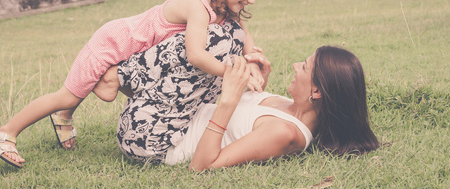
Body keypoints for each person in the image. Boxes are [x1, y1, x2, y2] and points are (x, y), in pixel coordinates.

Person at [0, 0, 273, 169]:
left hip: (132, 53)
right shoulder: (197, 5)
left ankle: (65, 115)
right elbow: (196, 56)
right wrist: (233, 73)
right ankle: (8, 132)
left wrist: (252, 57)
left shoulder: (225, 2)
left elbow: (242, 31)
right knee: (68, 94)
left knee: (98, 92)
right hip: (112, 44)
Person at [108, 38, 379, 167]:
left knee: (217, 41)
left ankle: (112, 76)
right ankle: (117, 77)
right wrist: (260, 82)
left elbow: (202, 165)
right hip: (174, 117)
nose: (296, 66)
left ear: (317, 91)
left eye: (304, 67)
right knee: (222, 43)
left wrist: (229, 99)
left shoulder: (284, 133)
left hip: (153, 141)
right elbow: (247, 120)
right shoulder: (292, 105)